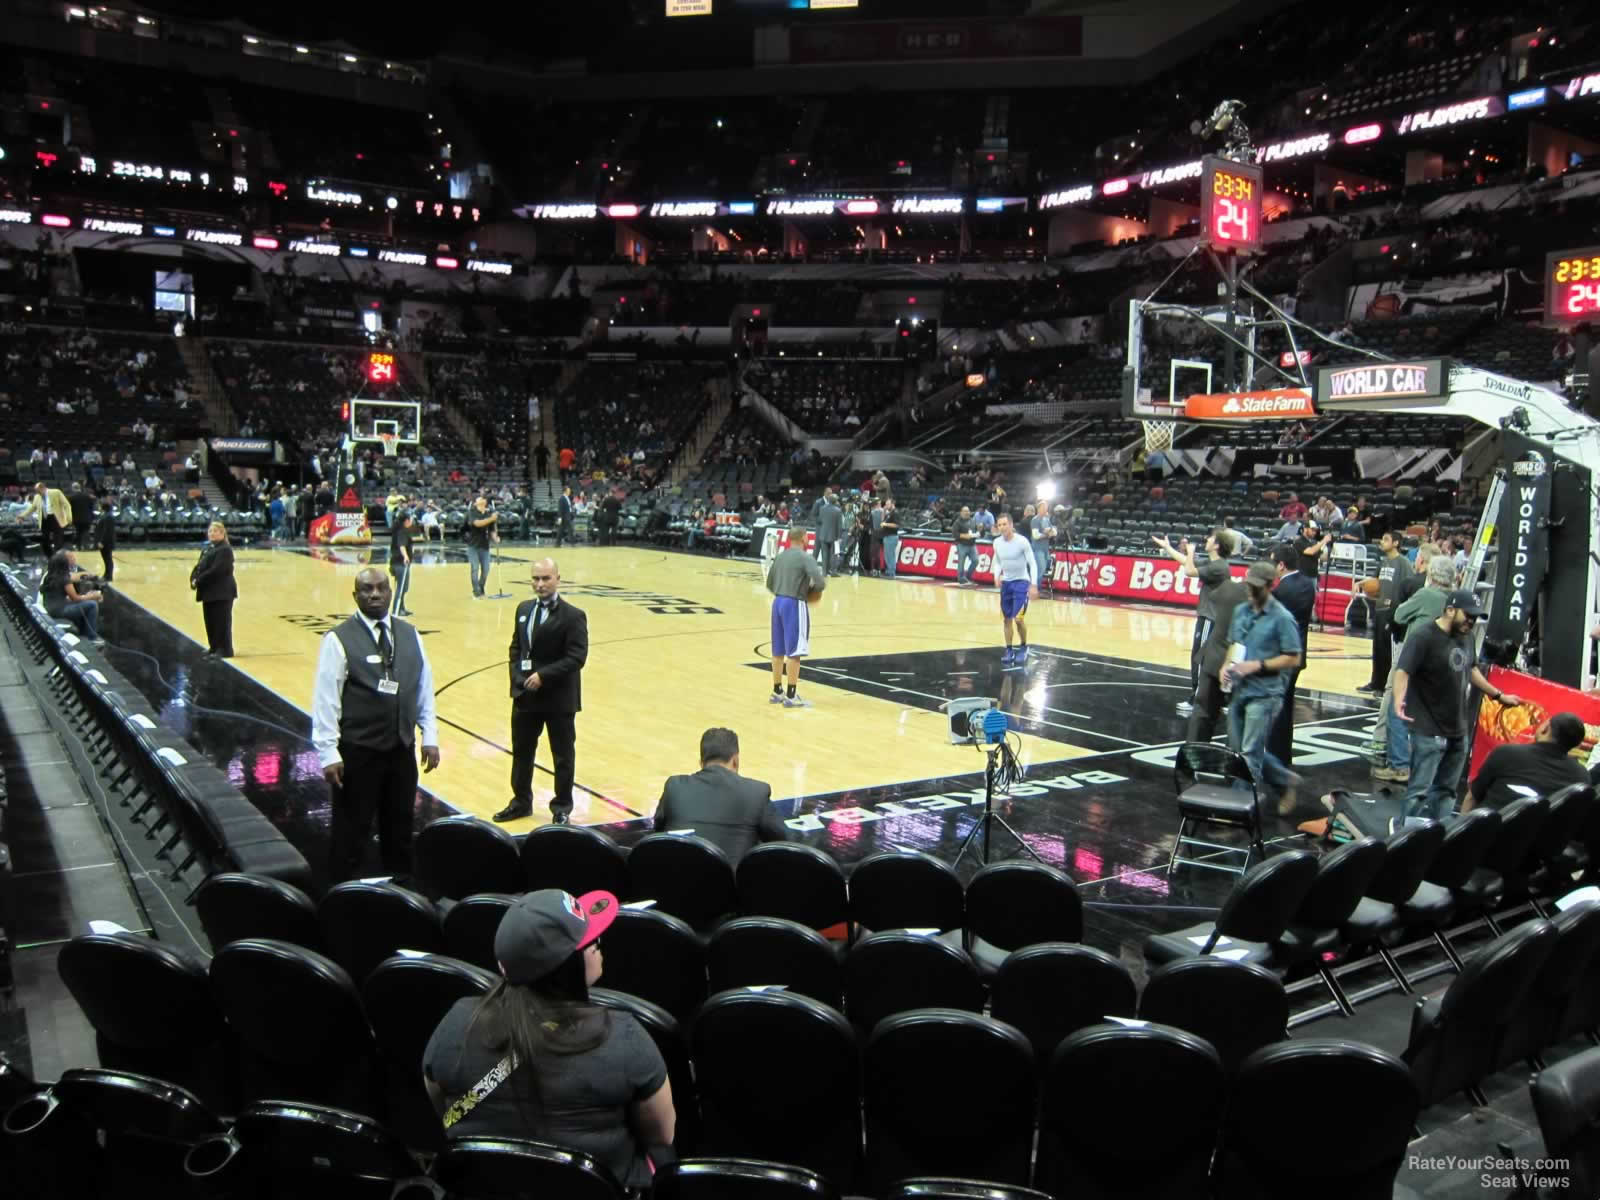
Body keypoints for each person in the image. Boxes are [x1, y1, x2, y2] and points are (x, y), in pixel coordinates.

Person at [421, 889, 673, 1189]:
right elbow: (661, 1135)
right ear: (565, 967)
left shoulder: (456, 1022)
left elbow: (443, 1111)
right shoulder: (625, 1037)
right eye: (589, 942)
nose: (597, 946)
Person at [312, 568, 442, 880]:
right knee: (351, 830)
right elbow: (326, 699)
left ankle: (400, 889)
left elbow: (422, 687)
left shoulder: (410, 634)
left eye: (381, 588)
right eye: (366, 589)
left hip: (401, 749)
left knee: (399, 826)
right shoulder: (338, 639)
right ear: (355, 595)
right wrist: (328, 753)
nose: (374, 594)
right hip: (358, 752)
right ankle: (343, 892)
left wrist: (430, 735)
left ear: (391, 591)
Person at [1394, 589, 1521, 827]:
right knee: (1419, 790)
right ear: (1450, 610)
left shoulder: (1467, 637)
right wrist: (1398, 699)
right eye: (1468, 615)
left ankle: (1439, 837)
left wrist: (1498, 694)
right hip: (1427, 726)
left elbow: (1470, 669)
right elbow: (1403, 670)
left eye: (1475, 617)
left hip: (1457, 727)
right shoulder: (1423, 636)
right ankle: (1402, 838)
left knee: (1447, 791)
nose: (1471, 621)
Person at [498, 558, 588, 825]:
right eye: (535, 579)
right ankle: (521, 802)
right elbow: (516, 648)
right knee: (522, 753)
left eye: (545, 578)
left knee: (562, 756)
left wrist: (543, 676)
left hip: (559, 699)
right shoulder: (523, 609)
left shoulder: (574, 616)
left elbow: (577, 657)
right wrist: (517, 677)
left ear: (558, 579)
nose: (540, 584)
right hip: (526, 696)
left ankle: (561, 807)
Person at [1220, 561, 1304, 815]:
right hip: (1240, 689)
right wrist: (1226, 666)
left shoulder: (1282, 618)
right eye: (1249, 584)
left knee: (1248, 757)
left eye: (1257, 587)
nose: (1251, 590)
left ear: (1271, 585)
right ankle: (1284, 780)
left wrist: (1257, 665)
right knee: (1238, 750)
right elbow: (1234, 644)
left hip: (1266, 693)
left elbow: (1294, 657)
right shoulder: (1241, 611)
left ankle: (1236, 814)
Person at [1372, 552, 1453, 781]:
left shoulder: (1426, 594)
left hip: (1414, 663)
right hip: (1440, 666)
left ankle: (1400, 767)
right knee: (1426, 717)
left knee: (1396, 712)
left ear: (1432, 574)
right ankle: (1423, 766)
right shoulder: (1454, 598)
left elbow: (1399, 614)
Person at [653, 728, 787, 861]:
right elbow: (783, 839)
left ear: (701, 763)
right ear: (735, 761)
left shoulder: (674, 786)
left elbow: (657, 832)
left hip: (678, 878)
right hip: (730, 881)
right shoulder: (756, 792)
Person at [1152, 530, 1238, 722]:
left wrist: (1191, 551)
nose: (1206, 540)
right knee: (1212, 660)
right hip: (1213, 617)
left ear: (1217, 545)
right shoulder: (1216, 563)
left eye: (1210, 538)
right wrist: (1168, 548)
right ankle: (1222, 699)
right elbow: (1186, 562)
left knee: (1199, 658)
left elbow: (1189, 570)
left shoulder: (1218, 567)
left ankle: (1197, 699)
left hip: (1209, 617)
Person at [1465, 712, 1588, 813]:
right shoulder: (1581, 777)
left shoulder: (1506, 753)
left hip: (1486, 835)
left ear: (1545, 729)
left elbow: (1472, 797)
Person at [767, 523, 826, 708]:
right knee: (795, 652)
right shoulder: (805, 557)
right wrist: (810, 592)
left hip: (777, 603)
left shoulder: (780, 556)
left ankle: (777, 691)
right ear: (804, 538)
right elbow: (820, 582)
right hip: (794, 603)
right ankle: (791, 696)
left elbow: (769, 583)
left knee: (778, 650)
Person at [1269, 545, 1317, 765]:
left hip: (1282, 655)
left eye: (1273, 562)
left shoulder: (1280, 592)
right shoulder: (1308, 585)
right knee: (1287, 705)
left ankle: (1276, 755)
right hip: (1299, 653)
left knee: (1278, 708)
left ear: (1281, 564)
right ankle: (1284, 753)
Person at [1359, 530, 1415, 695]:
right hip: (1379, 608)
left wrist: (1399, 607)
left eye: (1386, 539)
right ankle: (1376, 682)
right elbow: (1374, 582)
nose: (1382, 542)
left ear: (1396, 543)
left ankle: (1386, 686)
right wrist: (1361, 583)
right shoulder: (1383, 562)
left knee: (1387, 650)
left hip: (1392, 611)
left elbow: (1409, 586)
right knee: (1377, 649)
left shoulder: (1403, 563)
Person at [993, 513, 1038, 668]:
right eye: (999, 525)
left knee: (1018, 619)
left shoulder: (1022, 541)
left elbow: (1032, 563)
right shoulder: (997, 543)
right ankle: (1009, 650)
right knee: (1007, 619)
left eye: (1005, 524)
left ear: (1011, 525)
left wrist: (1033, 585)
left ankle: (1024, 646)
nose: (1002, 528)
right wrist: (996, 575)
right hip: (1007, 583)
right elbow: (998, 561)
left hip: (1021, 582)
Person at [189, 521, 237, 658]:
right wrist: (193, 577)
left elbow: (217, 570)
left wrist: (199, 580)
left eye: (215, 531)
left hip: (222, 591)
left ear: (222, 533)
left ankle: (225, 650)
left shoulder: (225, 549)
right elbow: (200, 566)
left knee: (221, 622)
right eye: (210, 531)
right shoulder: (208, 548)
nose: (212, 534)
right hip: (209, 591)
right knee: (210, 620)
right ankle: (214, 647)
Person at [40, 549, 104, 645]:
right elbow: (75, 598)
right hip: (59, 610)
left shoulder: (50, 576)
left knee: (82, 604)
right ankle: (92, 637)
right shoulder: (64, 578)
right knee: (92, 605)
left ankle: (84, 632)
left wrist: (85, 596)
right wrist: (91, 596)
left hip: (49, 608)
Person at [24, 482, 72, 558]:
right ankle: (49, 556)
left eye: (38, 491)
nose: (37, 493)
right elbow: (32, 508)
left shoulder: (56, 492)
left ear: (43, 488)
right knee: (45, 538)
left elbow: (66, 504)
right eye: (36, 491)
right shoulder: (37, 497)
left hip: (56, 517)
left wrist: (69, 517)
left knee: (58, 537)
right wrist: (22, 516)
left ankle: (58, 555)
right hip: (44, 518)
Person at [465, 496, 497, 598]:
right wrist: (492, 518)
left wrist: (495, 537)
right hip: (473, 545)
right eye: (478, 499)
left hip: (485, 545)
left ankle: (481, 587)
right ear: (476, 503)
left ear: (485, 502)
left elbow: (492, 530)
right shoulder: (472, 513)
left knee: (486, 569)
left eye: (482, 498)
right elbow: (477, 524)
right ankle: (476, 591)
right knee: (475, 568)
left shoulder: (488, 514)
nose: (480, 499)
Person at [390, 509, 416, 617]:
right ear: (406, 521)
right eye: (410, 519)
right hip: (400, 564)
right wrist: (405, 556)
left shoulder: (400, 530)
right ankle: (396, 610)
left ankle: (401, 608)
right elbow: (401, 545)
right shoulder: (402, 531)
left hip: (397, 563)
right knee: (401, 588)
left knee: (403, 587)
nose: (412, 521)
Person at [816, 491, 843, 576]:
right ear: (835, 501)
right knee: (834, 554)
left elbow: (819, 520)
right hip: (834, 536)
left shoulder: (822, 508)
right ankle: (833, 572)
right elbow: (839, 525)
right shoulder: (838, 511)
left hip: (823, 534)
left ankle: (824, 572)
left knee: (824, 554)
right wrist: (839, 537)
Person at [1029, 505, 1056, 592]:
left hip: (1045, 549)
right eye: (1043, 508)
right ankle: (1035, 589)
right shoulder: (1035, 520)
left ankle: (1037, 587)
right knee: (1041, 568)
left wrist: (1048, 532)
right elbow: (1036, 535)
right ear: (1039, 509)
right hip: (1037, 549)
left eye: (1046, 508)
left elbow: (1054, 532)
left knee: (1044, 568)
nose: (1045, 509)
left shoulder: (1046, 519)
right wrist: (1047, 534)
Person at [954, 505, 978, 585]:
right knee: (961, 562)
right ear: (961, 512)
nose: (967, 512)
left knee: (976, 560)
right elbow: (955, 534)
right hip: (962, 545)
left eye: (968, 511)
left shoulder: (973, 521)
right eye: (965, 511)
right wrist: (965, 536)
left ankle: (968, 576)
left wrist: (980, 531)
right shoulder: (957, 522)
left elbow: (977, 531)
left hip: (972, 545)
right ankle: (961, 578)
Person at [94, 497, 117, 583]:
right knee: (106, 559)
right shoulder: (105, 515)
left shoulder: (109, 517)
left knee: (108, 559)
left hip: (106, 542)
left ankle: (109, 576)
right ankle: (106, 574)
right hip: (104, 542)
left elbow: (107, 531)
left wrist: (101, 542)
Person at [880, 498, 901, 578]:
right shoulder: (889, 513)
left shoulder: (895, 513)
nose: (886, 506)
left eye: (888, 504)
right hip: (887, 536)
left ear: (892, 504)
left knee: (890, 555)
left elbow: (896, 525)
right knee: (887, 555)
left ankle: (891, 573)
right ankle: (889, 571)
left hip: (891, 537)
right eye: (886, 504)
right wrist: (884, 511)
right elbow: (882, 521)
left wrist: (885, 525)